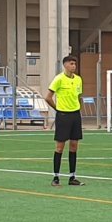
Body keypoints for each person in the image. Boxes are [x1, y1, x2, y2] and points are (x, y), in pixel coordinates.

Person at [45, 55, 84, 186]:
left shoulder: (78, 79)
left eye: (75, 64)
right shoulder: (59, 79)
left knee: (74, 145)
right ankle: (56, 177)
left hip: (75, 115)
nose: (74, 66)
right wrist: (58, 108)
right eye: (71, 63)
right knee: (60, 147)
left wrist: (78, 108)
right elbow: (48, 97)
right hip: (63, 115)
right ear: (65, 65)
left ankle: (72, 177)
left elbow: (79, 96)